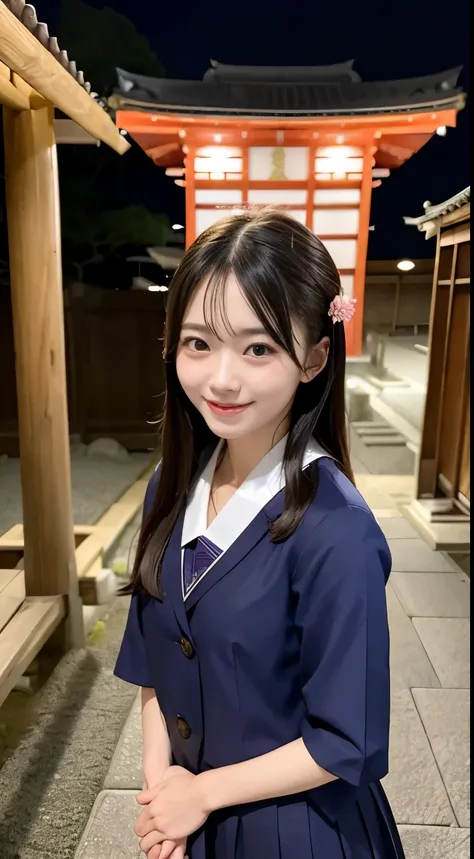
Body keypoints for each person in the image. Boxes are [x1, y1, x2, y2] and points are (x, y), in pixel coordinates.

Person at [114, 210, 405, 859]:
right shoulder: (171, 484)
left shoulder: (337, 529)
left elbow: (345, 740)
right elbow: (155, 672)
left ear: (314, 357)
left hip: (299, 829)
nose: (222, 377)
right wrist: (165, 797)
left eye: (258, 347)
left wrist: (201, 795)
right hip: (196, 816)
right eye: (199, 342)